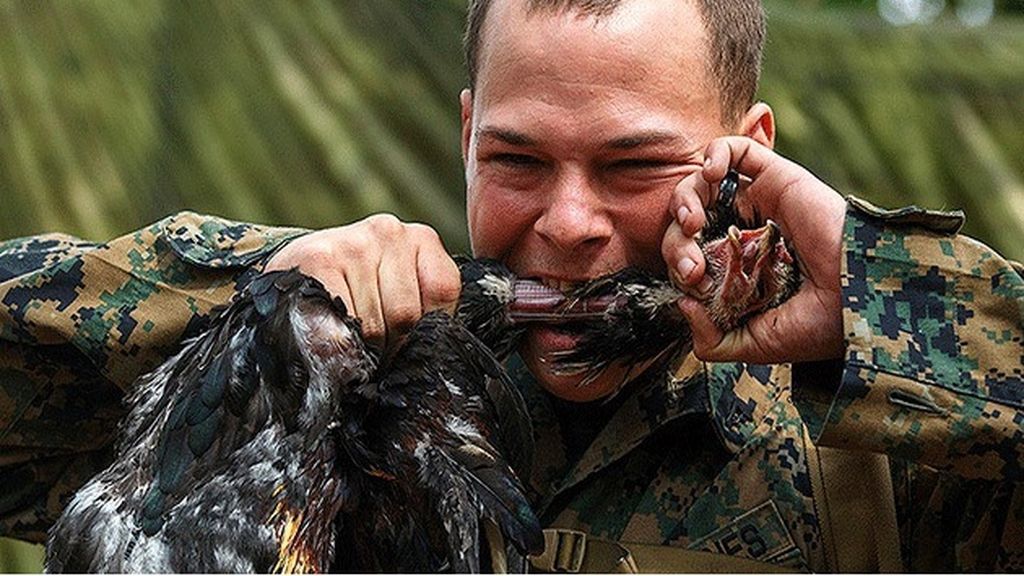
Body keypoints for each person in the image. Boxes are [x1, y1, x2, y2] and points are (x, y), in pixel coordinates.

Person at [1, 0, 1021, 571]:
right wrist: (259, 313)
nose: (567, 224)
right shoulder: (330, 396)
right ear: (464, 139)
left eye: (632, 169)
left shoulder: (882, 452)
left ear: (745, 152)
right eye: (517, 163)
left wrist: (882, 301)